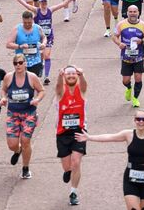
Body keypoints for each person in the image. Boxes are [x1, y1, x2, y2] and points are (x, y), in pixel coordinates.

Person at [1, 53, 46, 179]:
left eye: (20, 62)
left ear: (25, 63)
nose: (18, 65)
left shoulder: (32, 77)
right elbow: (3, 89)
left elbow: (42, 90)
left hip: (29, 113)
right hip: (13, 114)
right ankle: (17, 150)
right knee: (11, 144)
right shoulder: (9, 77)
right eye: (15, 63)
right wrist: (3, 98)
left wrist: (37, 99)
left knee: (25, 141)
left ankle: (25, 168)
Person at [56, 66, 88, 207]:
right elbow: (57, 87)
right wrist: (59, 76)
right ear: (64, 76)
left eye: (73, 74)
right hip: (62, 134)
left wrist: (82, 75)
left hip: (79, 132)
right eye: (68, 74)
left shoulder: (81, 90)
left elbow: (85, 85)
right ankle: (67, 171)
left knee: (76, 162)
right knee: (67, 166)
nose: (70, 76)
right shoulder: (61, 91)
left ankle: (73, 192)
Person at [114, 4, 144, 107]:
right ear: (127, 13)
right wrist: (119, 43)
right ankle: (128, 88)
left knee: (138, 78)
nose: (133, 14)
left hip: (139, 57)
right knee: (125, 80)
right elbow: (114, 36)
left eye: (135, 11)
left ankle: (135, 98)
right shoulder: (121, 24)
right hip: (126, 57)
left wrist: (141, 40)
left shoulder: (143, 25)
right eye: (130, 12)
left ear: (138, 13)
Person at [7, 11, 47, 77]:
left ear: (32, 20)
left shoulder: (37, 28)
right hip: (21, 62)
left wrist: (44, 44)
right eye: (25, 23)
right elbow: (8, 44)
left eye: (29, 22)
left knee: (34, 83)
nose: (27, 24)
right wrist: (20, 46)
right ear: (22, 20)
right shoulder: (17, 29)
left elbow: (44, 37)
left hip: (35, 61)